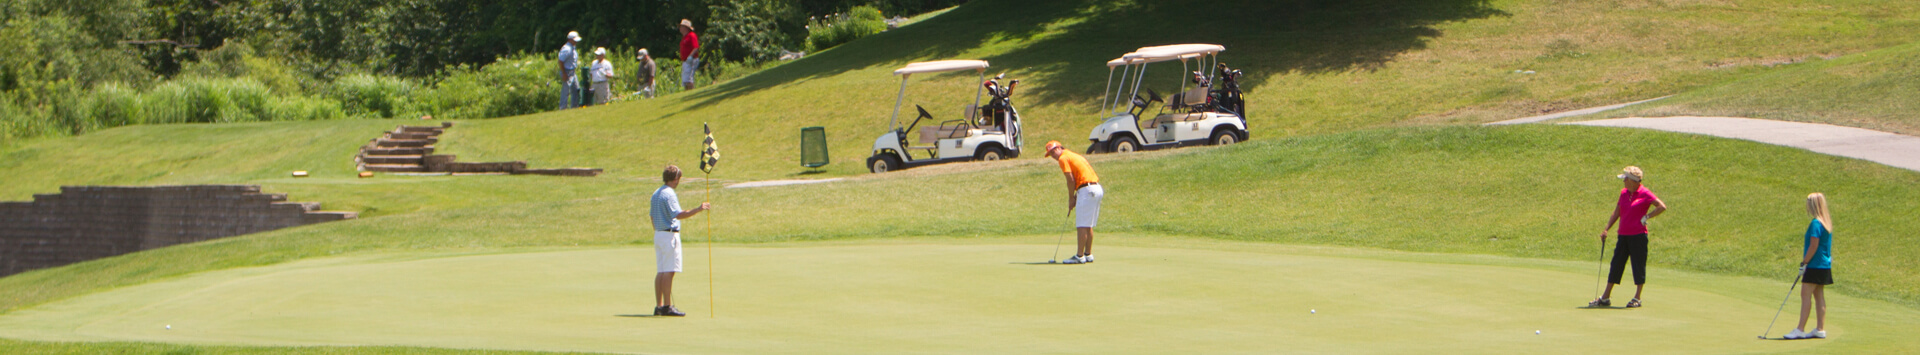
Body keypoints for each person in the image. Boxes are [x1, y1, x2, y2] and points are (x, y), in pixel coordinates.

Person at [1590, 166, 1667, 308]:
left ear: (1632, 181)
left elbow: (1662, 206)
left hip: (1638, 236)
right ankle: (1605, 297)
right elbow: (1617, 212)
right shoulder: (1624, 193)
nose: (1623, 181)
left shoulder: (1645, 193)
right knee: (1616, 264)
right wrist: (1606, 229)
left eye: (1625, 179)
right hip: (1623, 235)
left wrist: (1647, 216)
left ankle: (1637, 297)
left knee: (1638, 265)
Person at [649, 165, 710, 317]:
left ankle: (659, 306)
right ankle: (667, 306)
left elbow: (652, 216)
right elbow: (678, 214)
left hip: (658, 234)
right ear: (674, 179)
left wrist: (658, 230)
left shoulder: (656, 193)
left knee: (661, 271)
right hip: (669, 235)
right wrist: (698, 209)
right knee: (669, 271)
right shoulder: (669, 194)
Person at [1045, 141, 1103, 264]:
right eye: (1050, 154)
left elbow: (1070, 180)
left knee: (1082, 224)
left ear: (1060, 148)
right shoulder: (1074, 155)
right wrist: (1077, 194)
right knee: (1088, 224)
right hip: (1095, 188)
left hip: (1087, 190)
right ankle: (1088, 254)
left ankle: (1079, 256)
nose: (1053, 155)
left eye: (1054, 151)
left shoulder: (1063, 158)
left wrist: (1071, 198)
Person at [1786, 193, 1835, 339]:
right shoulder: (1826, 223)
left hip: (1814, 265)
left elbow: (1813, 246)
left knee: (1805, 295)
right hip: (1824, 265)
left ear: (1813, 205)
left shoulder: (1815, 223)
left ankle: (1800, 329)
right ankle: (1820, 329)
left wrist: (1804, 262)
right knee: (1819, 295)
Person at [556, 31, 582, 110]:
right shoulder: (567, 49)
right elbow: (560, 61)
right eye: (575, 40)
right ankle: (563, 108)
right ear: (570, 39)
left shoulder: (573, 48)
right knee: (566, 91)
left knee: (576, 89)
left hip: (572, 72)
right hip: (567, 72)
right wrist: (564, 73)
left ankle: (574, 107)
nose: (576, 42)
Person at [677, 19, 701, 90]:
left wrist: (690, 56)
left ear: (686, 28)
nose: (680, 28)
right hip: (685, 61)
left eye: (681, 27)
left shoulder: (691, 35)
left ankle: (691, 91)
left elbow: (696, 47)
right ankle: (687, 92)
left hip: (691, 60)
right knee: (685, 79)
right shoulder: (684, 37)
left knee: (689, 78)